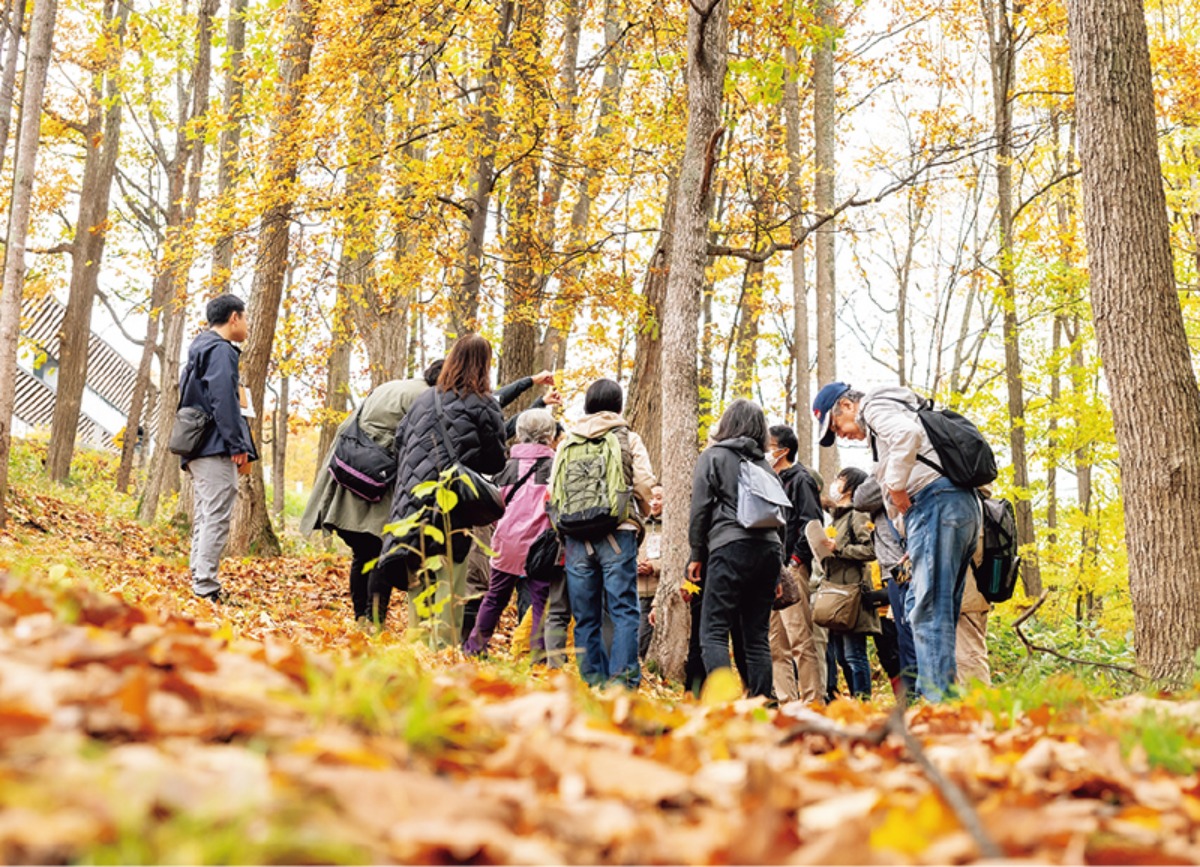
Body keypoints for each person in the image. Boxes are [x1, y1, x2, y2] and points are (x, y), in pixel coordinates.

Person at [813, 381, 981, 702]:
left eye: (838, 426)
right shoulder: (890, 414)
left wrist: (896, 486)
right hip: (954, 507)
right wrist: (909, 544)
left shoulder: (874, 404)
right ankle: (946, 705)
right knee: (940, 612)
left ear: (847, 406)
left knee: (926, 612)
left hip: (936, 503)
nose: (843, 435)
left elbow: (908, 436)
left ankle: (936, 707)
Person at [373, 334, 508, 648]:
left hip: (410, 505)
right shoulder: (485, 404)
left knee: (417, 594)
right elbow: (495, 459)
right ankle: (440, 674)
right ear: (484, 365)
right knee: (447, 595)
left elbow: (399, 443)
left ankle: (415, 670)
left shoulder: (424, 399)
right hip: (451, 510)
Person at [300, 363, 440, 623]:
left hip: (351, 472)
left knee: (363, 553)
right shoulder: (425, 398)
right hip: (377, 481)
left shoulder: (393, 386)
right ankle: (374, 620)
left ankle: (360, 618)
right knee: (379, 549)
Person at [551, 379, 656, 688]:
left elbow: (553, 490)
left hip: (575, 537)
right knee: (623, 610)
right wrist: (642, 513)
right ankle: (622, 685)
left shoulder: (568, 441)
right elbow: (646, 485)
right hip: (617, 532)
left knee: (585, 616)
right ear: (619, 406)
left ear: (587, 405)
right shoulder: (628, 438)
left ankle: (592, 683)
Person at [687, 399, 783, 700]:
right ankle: (763, 703)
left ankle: (725, 705)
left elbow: (700, 510)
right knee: (757, 638)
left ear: (727, 423)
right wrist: (779, 569)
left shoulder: (713, 456)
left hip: (729, 547)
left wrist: (696, 554)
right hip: (769, 550)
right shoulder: (766, 466)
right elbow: (784, 518)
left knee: (713, 630)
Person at [179, 293, 256, 603]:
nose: (248, 325)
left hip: (197, 445)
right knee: (217, 516)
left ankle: (199, 579)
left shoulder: (199, 347)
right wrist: (237, 443)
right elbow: (224, 399)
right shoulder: (221, 351)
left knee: (205, 515)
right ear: (234, 318)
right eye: (245, 317)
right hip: (214, 445)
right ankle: (206, 587)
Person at [464, 409, 558, 658]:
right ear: (549, 435)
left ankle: (474, 647)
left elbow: (495, 506)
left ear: (519, 433)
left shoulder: (506, 468)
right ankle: (536, 656)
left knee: (494, 598)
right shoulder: (556, 468)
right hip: (541, 547)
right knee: (541, 602)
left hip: (507, 544)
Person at [765, 425, 824, 704]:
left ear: (783, 450)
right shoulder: (768, 479)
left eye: (769, 445)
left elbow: (811, 522)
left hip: (793, 567)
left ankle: (813, 701)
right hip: (770, 569)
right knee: (776, 643)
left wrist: (796, 560)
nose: (766, 450)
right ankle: (787, 703)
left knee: (800, 638)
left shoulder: (801, 479)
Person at [814, 467, 878, 700]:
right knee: (841, 655)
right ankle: (855, 699)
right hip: (835, 591)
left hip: (852, 593)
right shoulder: (837, 516)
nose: (835, 483)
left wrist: (839, 549)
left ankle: (863, 701)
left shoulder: (858, 514)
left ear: (851, 485)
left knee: (854, 653)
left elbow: (871, 550)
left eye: (840, 480)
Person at [854, 475, 918, 699]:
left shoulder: (889, 477)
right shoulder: (879, 516)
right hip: (893, 576)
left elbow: (861, 498)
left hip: (901, 569)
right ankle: (908, 698)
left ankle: (915, 698)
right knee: (896, 648)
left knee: (908, 639)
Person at [636, 485, 664, 659]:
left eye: (659, 498)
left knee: (646, 632)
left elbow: (676, 560)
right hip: (637, 589)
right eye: (651, 497)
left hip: (658, 591)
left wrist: (654, 566)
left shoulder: (671, 527)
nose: (654, 502)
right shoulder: (639, 526)